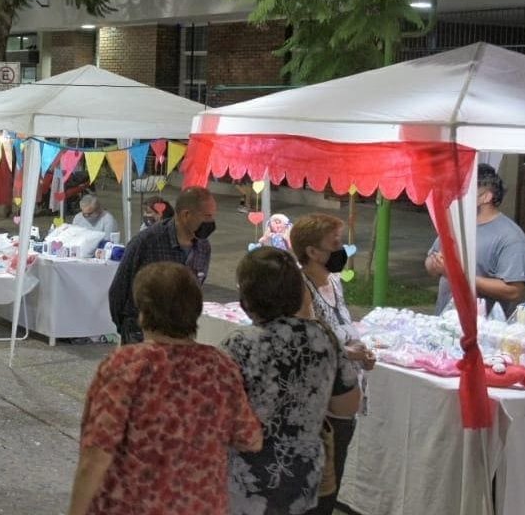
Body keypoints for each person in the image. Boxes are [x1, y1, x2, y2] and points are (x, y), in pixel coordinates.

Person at [68, 262, 262, 515]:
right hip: (201, 505)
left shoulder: (126, 365)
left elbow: (97, 454)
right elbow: (251, 439)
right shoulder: (221, 367)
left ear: (144, 312)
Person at [224, 247, 361, 515]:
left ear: (247, 297)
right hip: (304, 478)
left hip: (249, 482)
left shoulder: (238, 344)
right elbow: (348, 406)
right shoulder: (323, 338)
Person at [290, 214, 375, 515]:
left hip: (346, 392)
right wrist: (349, 354)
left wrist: (361, 353)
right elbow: (311, 340)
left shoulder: (334, 282)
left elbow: (342, 328)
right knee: (321, 482)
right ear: (312, 252)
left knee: (335, 470)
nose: (342, 250)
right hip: (323, 400)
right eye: (335, 244)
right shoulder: (302, 289)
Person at [108, 187, 217, 344]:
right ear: (186, 215)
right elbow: (118, 290)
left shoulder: (203, 247)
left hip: (180, 337)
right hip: (141, 336)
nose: (211, 222)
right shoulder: (146, 242)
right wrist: (127, 329)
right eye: (207, 216)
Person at [425, 164, 525, 315]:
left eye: (463, 191)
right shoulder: (456, 223)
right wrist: (435, 264)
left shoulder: (510, 237)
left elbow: (513, 291)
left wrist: (458, 275)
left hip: (483, 331)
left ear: (486, 197)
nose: (456, 197)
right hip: (444, 324)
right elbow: (430, 263)